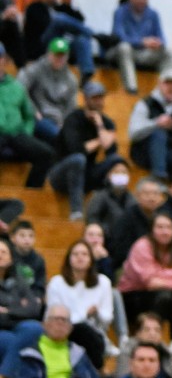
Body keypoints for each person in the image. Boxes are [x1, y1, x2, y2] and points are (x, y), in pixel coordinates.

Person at [48, 81, 121, 221]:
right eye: (95, 98)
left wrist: (100, 126)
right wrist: (101, 139)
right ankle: (76, 211)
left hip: (86, 173)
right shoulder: (73, 118)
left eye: (100, 97)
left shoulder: (106, 122)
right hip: (60, 173)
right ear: (86, 99)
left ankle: (116, 209)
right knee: (78, 160)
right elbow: (77, 150)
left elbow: (111, 151)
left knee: (117, 162)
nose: (98, 101)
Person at [118, 212, 172, 347]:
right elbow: (151, 282)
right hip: (133, 295)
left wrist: (162, 275)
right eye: (160, 227)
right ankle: (152, 336)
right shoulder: (141, 246)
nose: (165, 231)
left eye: (169, 227)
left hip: (163, 293)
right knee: (164, 295)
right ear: (152, 229)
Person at [46, 241, 115, 368]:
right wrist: (85, 314)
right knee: (81, 330)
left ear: (91, 260)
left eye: (84, 254)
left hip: (95, 332)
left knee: (89, 334)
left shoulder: (104, 282)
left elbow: (107, 318)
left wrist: (97, 313)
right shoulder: (56, 282)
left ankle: (94, 375)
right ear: (68, 259)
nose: (80, 257)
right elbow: (53, 316)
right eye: (75, 254)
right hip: (64, 331)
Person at [0, 42, 56, 187]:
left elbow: (28, 115)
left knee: (46, 154)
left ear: (4, 60)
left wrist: (26, 132)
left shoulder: (16, 87)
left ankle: (30, 196)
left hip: (17, 133)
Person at [109, 0, 172, 94]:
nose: (141, 0)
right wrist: (142, 42)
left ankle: (167, 90)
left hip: (145, 54)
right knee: (124, 47)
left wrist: (158, 43)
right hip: (124, 53)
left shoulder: (153, 14)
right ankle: (131, 89)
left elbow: (162, 38)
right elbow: (118, 37)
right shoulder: (120, 12)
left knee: (168, 52)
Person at [18, 37, 78, 143]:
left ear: (67, 56)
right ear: (49, 54)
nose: (59, 58)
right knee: (62, 139)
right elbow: (20, 87)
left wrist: (65, 123)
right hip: (40, 117)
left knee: (74, 138)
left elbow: (71, 107)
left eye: (62, 55)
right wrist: (33, 111)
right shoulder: (36, 69)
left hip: (60, 121)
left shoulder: (71, 79)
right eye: (56, 54)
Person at [85, 161, 136, 243]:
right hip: (105, 241)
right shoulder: (100, 196)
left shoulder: (133, 199)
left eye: (124, 172)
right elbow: (92, 218)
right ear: (109, 175)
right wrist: (106, 233)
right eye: (116, 172)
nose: (120, 175)